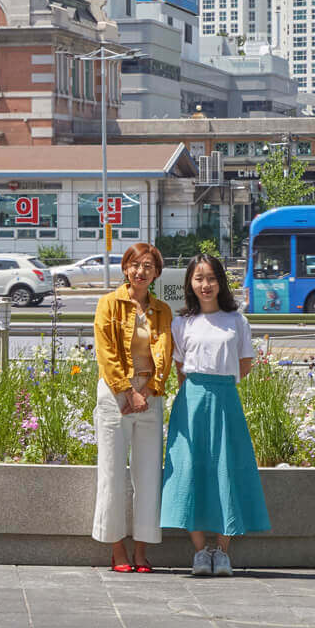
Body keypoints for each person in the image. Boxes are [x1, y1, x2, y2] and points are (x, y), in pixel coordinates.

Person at [160, 253, 271, 577]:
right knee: (188, 470)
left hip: (225, 400)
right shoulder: (182, 323)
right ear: (190, 283)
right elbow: (180, 368)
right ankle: (200, 552)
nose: (205, 284)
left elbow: (245, 364)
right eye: (199, 278)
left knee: (228, 469)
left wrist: (219, 383)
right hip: (191, 400)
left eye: (211, 278)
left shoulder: (237, 320)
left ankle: (222, 551)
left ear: (220, 281)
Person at [91, 242, 172, 573]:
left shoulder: (162, 310)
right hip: (115, 396)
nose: (141, 271)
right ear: (125, 268)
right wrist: (128, 392)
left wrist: (151, 389)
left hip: (150, 396)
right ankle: (117, 549)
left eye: (148, 266)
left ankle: (141, 550)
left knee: (149, 475)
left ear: (156, 273)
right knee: (112, 473)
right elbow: (106, 351)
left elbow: (165, 350)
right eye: (135, 265)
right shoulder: (108, 304)